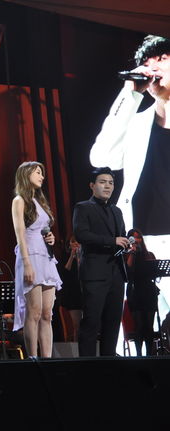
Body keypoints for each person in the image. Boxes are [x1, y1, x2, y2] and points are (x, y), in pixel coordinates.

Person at [90, 35, 170, 317]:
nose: (153, 67)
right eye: (146, 63)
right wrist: (130, 95)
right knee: (148, 329)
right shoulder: (136, 123)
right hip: (144, 245)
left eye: (162, 58)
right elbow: (102, 158)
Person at [73, 167, 128, 357]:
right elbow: (81, 235)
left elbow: (121, 236)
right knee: (91, 321)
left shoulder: (116, 211)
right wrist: (112, 241)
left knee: (113, 323)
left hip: (116, 273)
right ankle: (87, 366)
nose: (107, 186)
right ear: (92, 185)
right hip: (94, 273)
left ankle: (109, 364)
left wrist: (126, 244)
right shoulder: (83, 207)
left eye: (111, 183)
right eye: (103, 182)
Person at [11, 161, 62, 358]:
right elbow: (20, 234)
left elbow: (42, 229)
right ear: (26, 174)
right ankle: (32, 358)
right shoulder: (19, 200)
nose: (42, 176)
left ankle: (47, 358)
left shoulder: (39, 201)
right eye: (38, 172)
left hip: (46, 257)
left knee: (47, 313)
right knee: (34, 311)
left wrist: (51, 238)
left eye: (42, 173)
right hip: (30, 255)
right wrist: (27, 264)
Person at [125, 228, 159, 356]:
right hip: (134, 292)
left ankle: (150, 355)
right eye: (133, 238)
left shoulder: (149, 255)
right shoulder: (126, 255)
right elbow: (127, 271)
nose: (137, 240)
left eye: (138, 237)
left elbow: (155, 273)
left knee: (149, 326)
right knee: (138, 325)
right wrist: (132, 253)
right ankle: (139, 356)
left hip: (149, 292)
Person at [58, 236, 83, 341]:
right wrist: (72, 256)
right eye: (73, 242)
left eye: (78, 242)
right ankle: (77, 346)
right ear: (69, 244)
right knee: (77, 326)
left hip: (84, 292)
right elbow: (65, 272)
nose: (76, 244)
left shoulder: (84, 256)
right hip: (73, 295)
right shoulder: (65, 256)